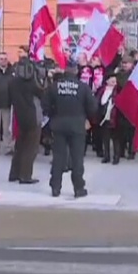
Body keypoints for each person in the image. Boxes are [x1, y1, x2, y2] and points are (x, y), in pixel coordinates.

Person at [44, 62, 97, 198]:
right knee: (77, 158)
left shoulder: (54, 86)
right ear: (76, 72)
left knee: (58, 157)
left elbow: (45, 106)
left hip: (59, 124)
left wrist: (54, 116)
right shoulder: (83, 87)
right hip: (77, 125)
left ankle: (55, 187)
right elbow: (93, 107)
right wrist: (86, 118)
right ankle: (78, 188)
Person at [9, 53, 45, 183]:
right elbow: (43, 92)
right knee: (31, 147)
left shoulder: (13, 82)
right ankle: (25, 175)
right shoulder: (32, 82)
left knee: (20, 146)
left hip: (19, 116)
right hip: (33, 116)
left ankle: (14, 173)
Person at [96, 75, 122, 164]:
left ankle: (116, 157)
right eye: (112, 81)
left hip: (115, 117)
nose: (114, 83)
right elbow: (98, 101)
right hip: (104, 117)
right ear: (107, 81)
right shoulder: (102, 90)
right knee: (105, 138)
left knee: (116, 139)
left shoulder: (118, 91)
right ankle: (106, 156)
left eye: (115, 81)